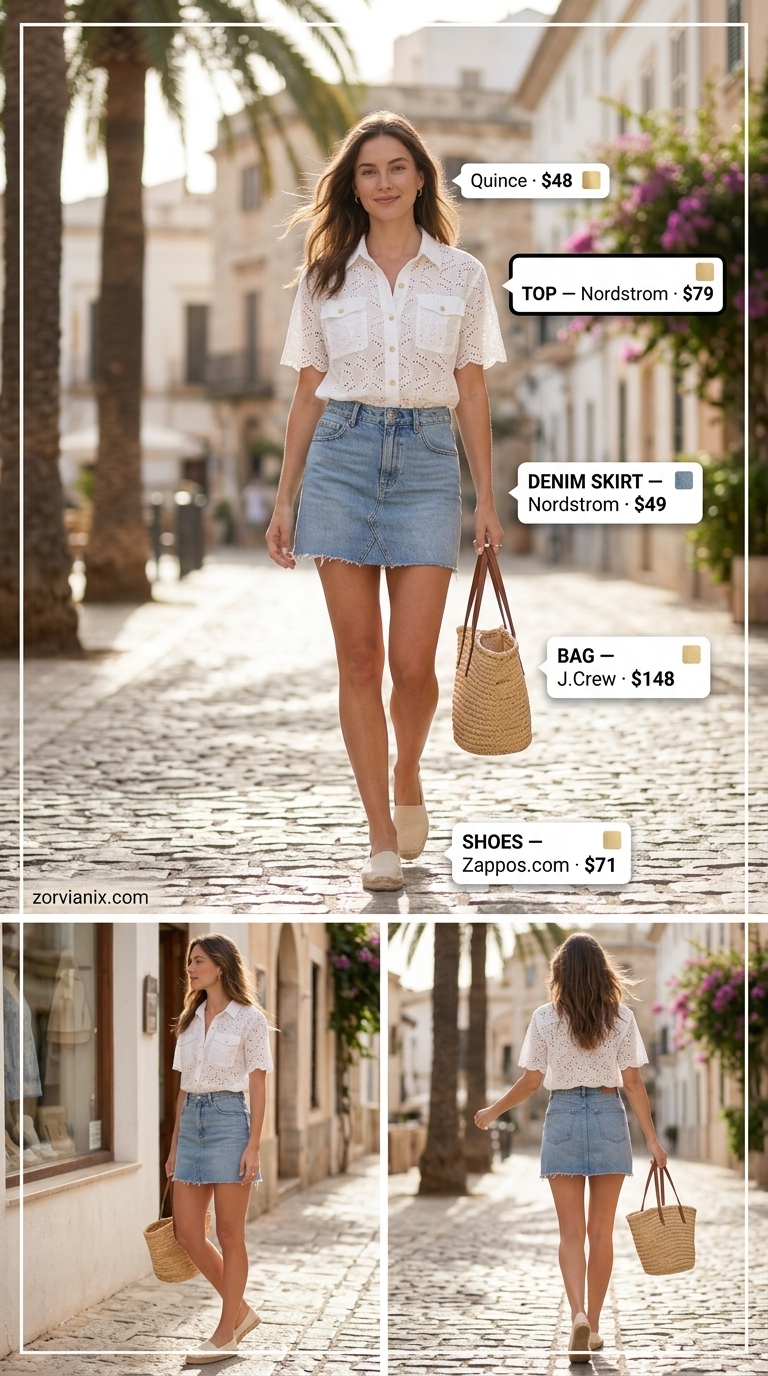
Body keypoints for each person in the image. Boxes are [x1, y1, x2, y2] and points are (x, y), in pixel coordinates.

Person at [267, 111, 507, 893]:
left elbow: (471, 390)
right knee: (360, 660)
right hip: (340, 455)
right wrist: (284, 498)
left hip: (430, 464)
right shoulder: (324, 277)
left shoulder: (463, 276)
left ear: (420, 177)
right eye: (369, 170)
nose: (383, 182)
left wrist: (487, 499)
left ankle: (409, 770)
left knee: (414, 667)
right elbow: (307, 395)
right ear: (354, 185)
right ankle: (378, 831)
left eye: (397, 167)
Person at [474, 932, 666, 1363]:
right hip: (607, 1114)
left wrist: (493, 1110)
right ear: (603, 972)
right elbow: (633, 1083)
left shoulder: (544, 1018)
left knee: (570, 1233)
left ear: (558, 973)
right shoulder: (621, 1018)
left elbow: (530, 1081)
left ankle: (576, 1313)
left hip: (561, 1115)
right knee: (601, 1233)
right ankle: (592, 1328)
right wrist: (651, 1140)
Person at [166, 933, 273, 1365]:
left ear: (220, 966)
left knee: (230, 1235)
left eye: (197, 961)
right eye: (190, 962)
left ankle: (225, 1331)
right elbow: (181, 1088)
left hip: (230, 1122)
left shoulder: (250, 1019)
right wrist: (174, 1145)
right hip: (191, 1123)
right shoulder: (189, 1020)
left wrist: (254, 1145)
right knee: (186, 1233)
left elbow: (259, 1083)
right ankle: (241, 1310)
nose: (190, 969)